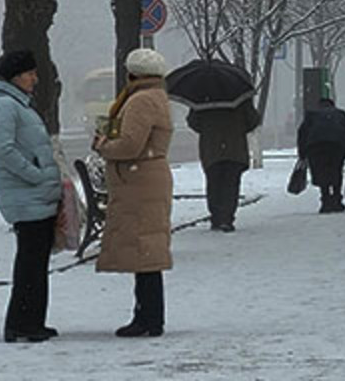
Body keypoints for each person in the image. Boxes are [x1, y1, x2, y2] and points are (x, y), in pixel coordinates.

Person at [93, 48, 174, 338]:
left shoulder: (140, 101)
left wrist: (103, 145)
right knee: (147, 249)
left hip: (140, 181)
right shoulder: (156, 97)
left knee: (145, 251)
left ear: (132, 74)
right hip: (148, 179)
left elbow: (130, 145)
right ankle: (149, 316)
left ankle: (148, 318)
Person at [0, 50, 62, 343]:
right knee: (30, 262)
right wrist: (37, 175)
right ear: (17, 76)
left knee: (35, 261)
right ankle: (21, 323)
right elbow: (4, 150)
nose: (35, 79)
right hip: (26, 195)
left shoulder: (18, 104)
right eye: (30, 73)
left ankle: (30, 321)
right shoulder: (6, 105)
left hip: (34, 195)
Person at [187, 98, 260, 233]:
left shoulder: (202, 97)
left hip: (211, 148)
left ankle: (216, 217)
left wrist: (209, 128)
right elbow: (253, 120)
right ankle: (227, 218)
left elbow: (193, 122)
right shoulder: (241, 97)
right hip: (235, 148)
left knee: (214, 183)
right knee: (231, 184)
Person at [297, 98, 345, 212]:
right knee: (336, 170)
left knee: (322, 172)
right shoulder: (340, 114)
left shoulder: (311, 115)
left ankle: (325, 200)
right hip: (337, 145)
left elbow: (302, 134)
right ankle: (337, 200)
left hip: (316, 146)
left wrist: (302, 154)